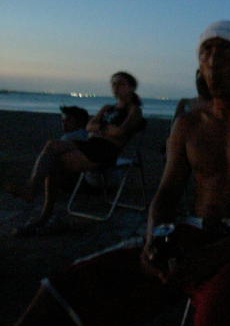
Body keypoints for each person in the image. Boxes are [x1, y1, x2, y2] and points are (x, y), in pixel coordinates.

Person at [0, 20, 230, 326]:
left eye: (224, 50)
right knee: (58, 290)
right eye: (206, 51)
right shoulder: (189, 124)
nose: (212, 59)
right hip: (190, 234)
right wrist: (152, 240)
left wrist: (217, 253)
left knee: (219, 323)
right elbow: (166, 193)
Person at [4, 72, 145, 236]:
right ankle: (32, 190)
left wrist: (100, 128)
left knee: (54, 161)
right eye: (113, 84)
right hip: (91, 144)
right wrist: (106, 129)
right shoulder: (107, 108)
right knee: (51, 146)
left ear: (131, 87)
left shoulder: (134, 110)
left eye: (121, 84)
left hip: (106, 151)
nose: (116, 87)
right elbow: (89, 127)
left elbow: (120, 132)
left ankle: (42, 213)